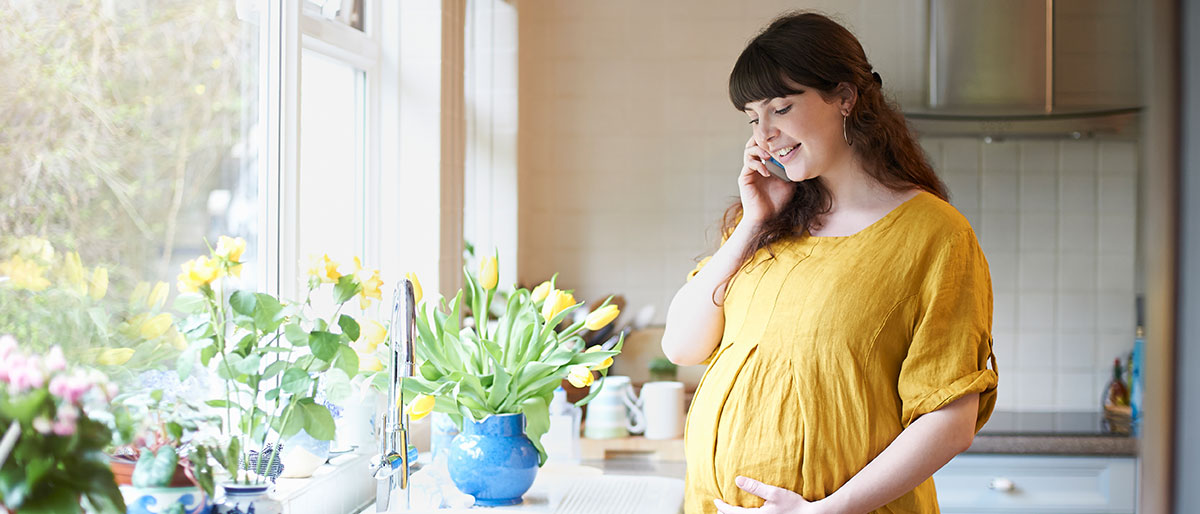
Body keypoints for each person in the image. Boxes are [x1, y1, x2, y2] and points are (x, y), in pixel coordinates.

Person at [661, 12, 998, 514]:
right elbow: (682, 346)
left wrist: (821, 511)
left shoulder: (936, 235)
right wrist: (754, 223)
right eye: (754, 117)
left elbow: (950, 421)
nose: (765, 134)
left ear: (845, 98)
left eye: (782, 108)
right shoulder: (766, 226)